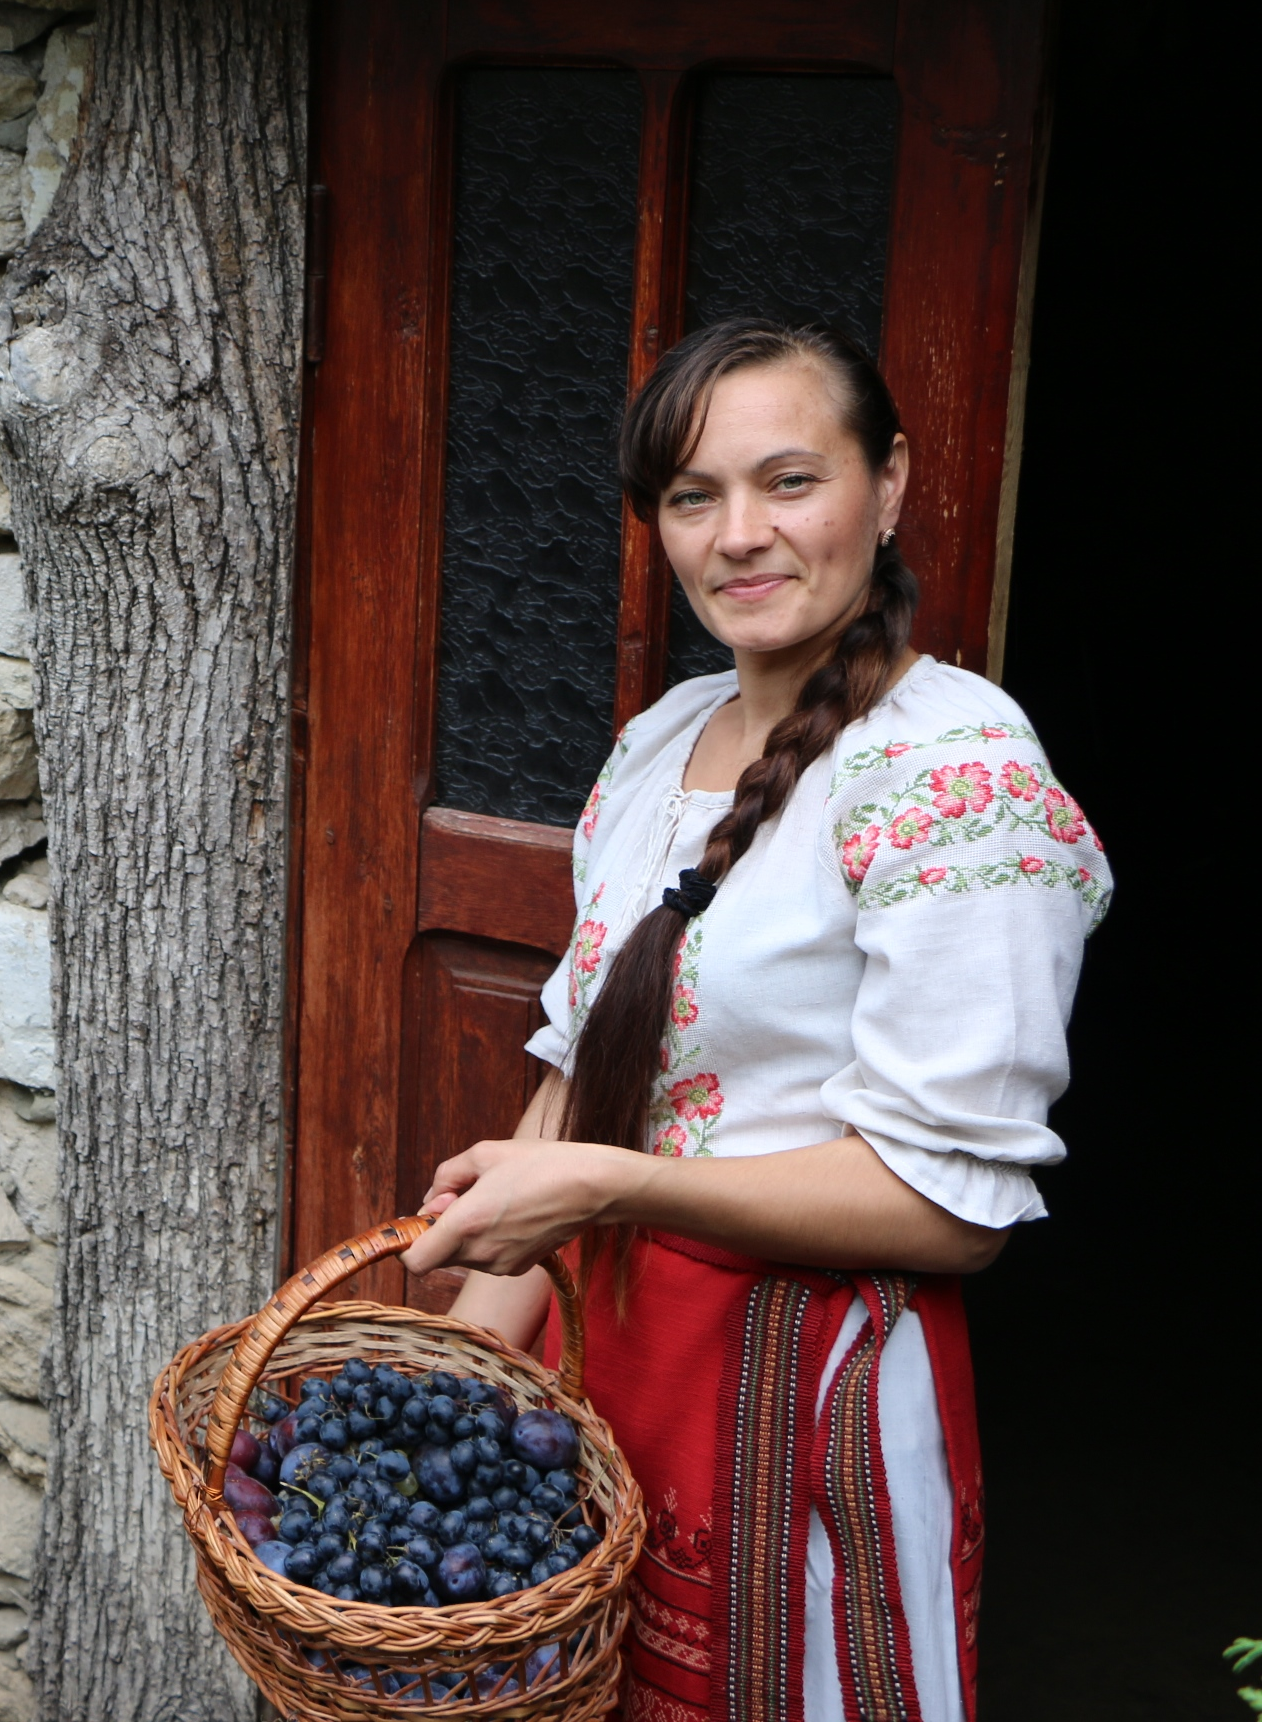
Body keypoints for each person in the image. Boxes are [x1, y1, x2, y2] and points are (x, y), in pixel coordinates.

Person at [400, 318, 1109, 1722]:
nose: (740, 535)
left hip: (796, 1382)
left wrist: (609, 1184)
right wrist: (481, 1360)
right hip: (601, 1355)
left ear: (889, 487)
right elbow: (585, 1062)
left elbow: (951, 1203)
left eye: (790, 481)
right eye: (692, 495)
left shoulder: (955, 774)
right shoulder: (661, 737)